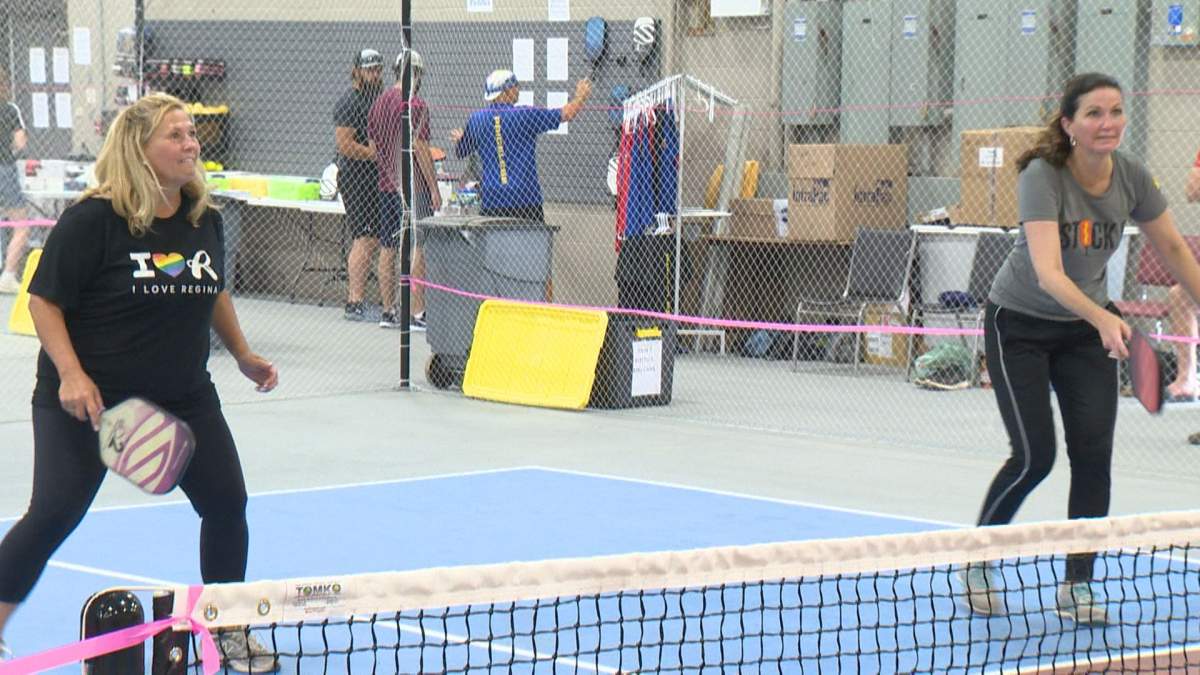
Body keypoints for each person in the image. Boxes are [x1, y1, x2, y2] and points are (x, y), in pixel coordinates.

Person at [0, 93, 280, 672]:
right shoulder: (93, 220)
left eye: (191, 134)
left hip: (183, 393)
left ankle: (227, 628)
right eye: (175, 135)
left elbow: (213, 288)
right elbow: (44, 302)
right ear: (140, 149)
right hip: (90, 401)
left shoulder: (205, 218)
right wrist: (72, 376)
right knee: (53, 514)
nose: (191, 144)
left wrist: (244, 353)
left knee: (227, 502)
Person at [960, 73, 1200, 625]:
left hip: (1084, 335)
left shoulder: (1134, 177)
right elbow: (1047, 272)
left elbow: (1174, 248)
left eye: (1115, 111)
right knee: (1035, 456)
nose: (1108, 122)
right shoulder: (1043, 175)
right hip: (1018, 325)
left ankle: (1078, 585)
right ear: (1068, 124)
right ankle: (976, 558)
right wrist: (1103, 317)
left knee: (1093, 458)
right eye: (1094, 113)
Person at [450, 69, 591, 222]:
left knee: (494, 244)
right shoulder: (525, 114)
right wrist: (580, 97)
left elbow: (461, 151)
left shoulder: (477, 119)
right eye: (514, 85)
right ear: (505, 91)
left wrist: (462, 138)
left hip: (492, 200)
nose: (518, 88)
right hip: (525, 199)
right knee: (532, 243)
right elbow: (566, 114)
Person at [367, 48, 439, 330]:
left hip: (386, 185)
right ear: (416, 74)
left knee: (388, 246)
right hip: (413, 187)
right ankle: (417, 311)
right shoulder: (415, 104)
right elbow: (421, 148)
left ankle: (388, 310)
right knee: (417, 246)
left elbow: (374, 148)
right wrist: (433, 186)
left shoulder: (378, 104)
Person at [336, 48, 385, 322]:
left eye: (378, 69)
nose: (375, 74)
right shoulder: (349, 103)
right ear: (357, 71)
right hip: (356, 177)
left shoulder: (378, 98)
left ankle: (366, 299)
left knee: (376, 239)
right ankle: (354, 302)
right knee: (364, 238)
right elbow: (344, 144)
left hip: (376, 178)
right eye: (369, 69)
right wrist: (374, 154)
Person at [0, 70, 29, 294]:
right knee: (20, 224)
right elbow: (20, 143)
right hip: (4, 168)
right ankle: (8, 275)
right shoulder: (9, 109)